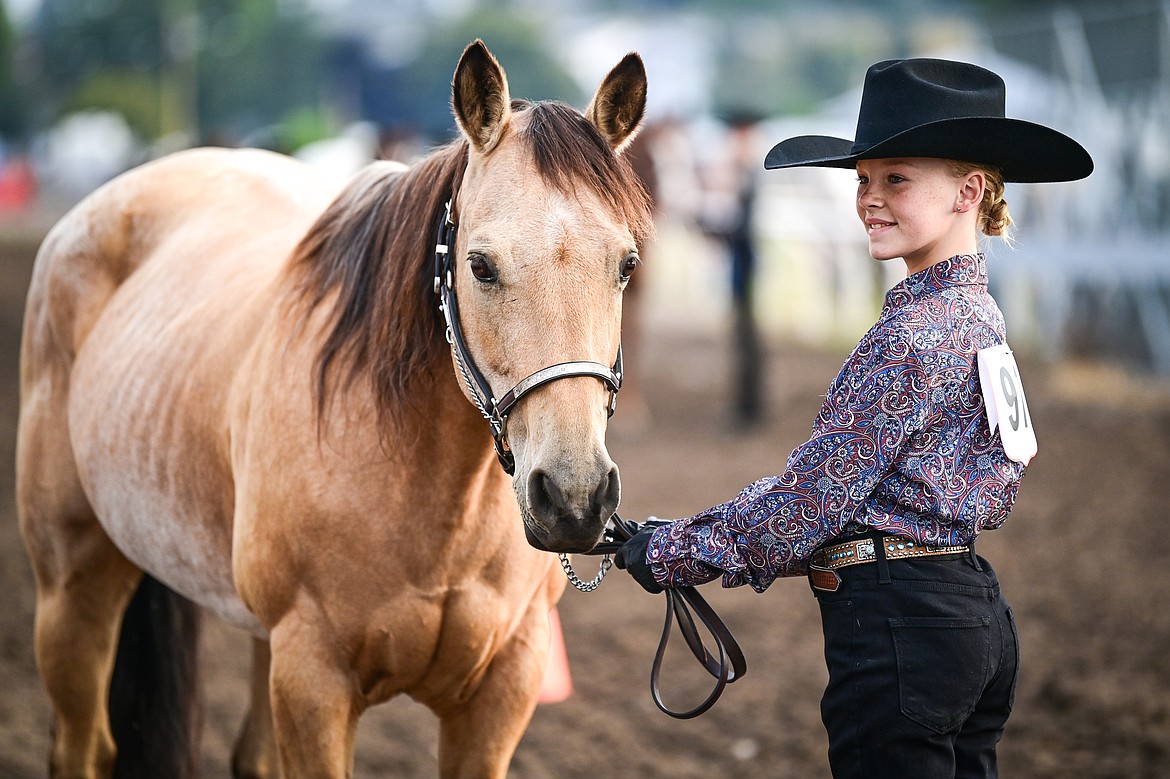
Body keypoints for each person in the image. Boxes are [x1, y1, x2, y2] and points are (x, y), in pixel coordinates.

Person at [615, 58, 1093, 779]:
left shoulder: (909, 335)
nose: (869, 198)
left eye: (896, 178)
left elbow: (806, 507)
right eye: (864, 179)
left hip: (901, 629)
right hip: (971, 613)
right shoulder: (980, 317)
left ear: (970, 191)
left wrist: (668, 549)